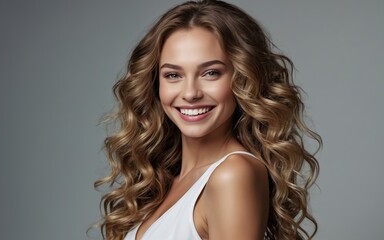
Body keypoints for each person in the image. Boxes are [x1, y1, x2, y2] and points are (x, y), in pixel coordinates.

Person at [95, 0, 321, 239]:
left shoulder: (233, 174)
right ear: (155, 83)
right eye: (173, 75)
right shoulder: (164, 182)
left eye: (210, 73)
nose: (191, 93)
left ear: (243, 79)